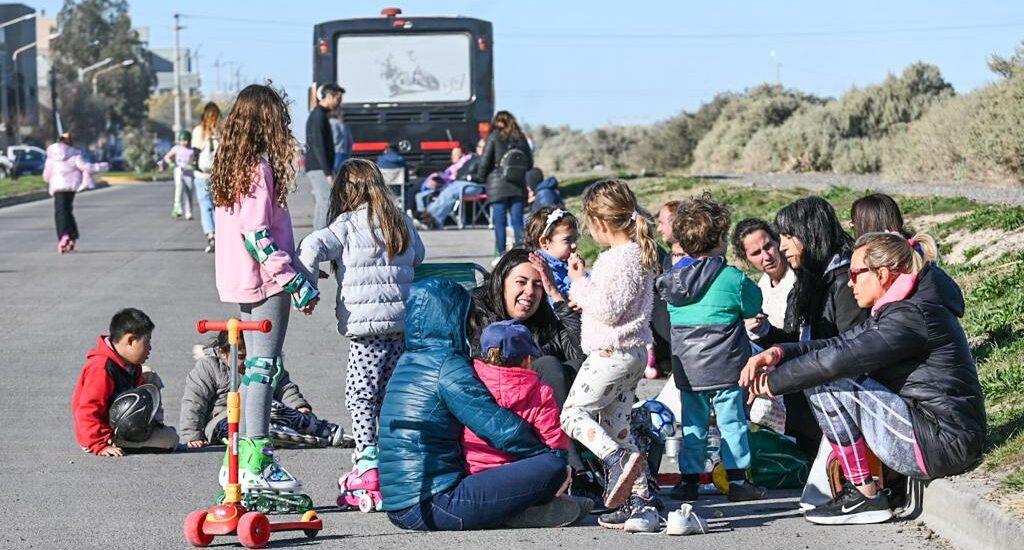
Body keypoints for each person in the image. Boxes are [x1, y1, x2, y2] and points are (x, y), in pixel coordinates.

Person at [741, 232, 986, 525]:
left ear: (882, 274)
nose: (849, 282)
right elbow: (838, 345)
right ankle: (864, 491)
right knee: (823, 369)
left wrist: (772, 383)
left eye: (856, 273)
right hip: (939, 436)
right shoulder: (902, 308)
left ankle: (866, 495)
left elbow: (838, 360)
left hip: (944, 443)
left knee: (825, 378)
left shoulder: (911, 316)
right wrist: (779, 352)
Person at [380, 279, 584, 530]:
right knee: (552, 465)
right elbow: (496, 425)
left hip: (400, 505)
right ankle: (516, 513)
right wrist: (544, 455)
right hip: (434, 502)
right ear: (453, 318)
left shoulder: (408, 362)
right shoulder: (447, 366)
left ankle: (513, 509)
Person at [209, 83, 320, 501]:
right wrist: (294, 282)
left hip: (244, 280)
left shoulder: (230, 166)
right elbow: (259, 237)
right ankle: (257, 460)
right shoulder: (257, 167)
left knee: (257, 365)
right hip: (267, 282)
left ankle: (237, 460)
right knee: (264, 367)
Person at [296, 158, 424, 509]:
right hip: (401, 324)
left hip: (365, 328)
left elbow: (310, 247)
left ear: (344, 193)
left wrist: (306, 286)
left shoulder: (347, 224)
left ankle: (367, 460)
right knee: (392, 392)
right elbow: (419, 256)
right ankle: (397, 457)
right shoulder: (400, 221)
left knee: (361, 394)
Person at [559, 178, 660, 532]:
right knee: (618, 428)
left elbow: (607, 309)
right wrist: (584, 282)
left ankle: (617, 460)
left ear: (600, 223)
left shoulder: (617, 259)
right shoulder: (639, 254)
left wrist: (581, 284)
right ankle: (641, 505)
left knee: (572, 416)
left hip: (609, 353)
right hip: (632, 353)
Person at [655, 193, 767, 503]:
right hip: (727, 367)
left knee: (692, 425)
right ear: (719, 238)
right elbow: (753, 304)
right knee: (733, 422)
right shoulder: (731, 277)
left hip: (688, 370)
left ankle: (688, 481)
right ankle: (738, 481)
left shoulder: (673, 281)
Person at [731, 217, 821, 461]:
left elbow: (795, 337)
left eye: (769, 246)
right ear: (747, 259)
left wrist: (764, 332)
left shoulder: (798, 279)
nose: (766, 256)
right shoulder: (761, 286)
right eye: (756, 253)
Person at [179, 331, 346, 449]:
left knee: (273, 407)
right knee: (235, 424)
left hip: (261, 411)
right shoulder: (209, 367)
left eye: (250, 356)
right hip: (224, 420)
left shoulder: (262, 365)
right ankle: (277, 433)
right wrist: (192, 436)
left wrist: (299, 406)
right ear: (223, 353)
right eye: (241, 357)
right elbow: (194, 402)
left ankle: (315, 427)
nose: (246, 362)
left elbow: (284, 387)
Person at [463, 320, 570, 475]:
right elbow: (555, 442)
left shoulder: (469, 384)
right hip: (521, 477)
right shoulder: (539, 394)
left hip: (473, 476)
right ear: (527, 359)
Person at [71, 308, 178, 456]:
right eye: (147, 342)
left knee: (149, 375)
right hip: (103, 436)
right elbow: (87, 409)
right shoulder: (101, 367)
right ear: (131, 340)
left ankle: (152, 429)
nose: (150, 348)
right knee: (170, 439)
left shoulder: (131, 364)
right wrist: (99, 444)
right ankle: (129, 439)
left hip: (123, 424)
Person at [775, 197, 867, 341]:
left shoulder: (847, 282)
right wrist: (764, 331)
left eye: (788, 236)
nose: (781, 247)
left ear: (812, 234)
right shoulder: (804, 282)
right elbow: (794, 343)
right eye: (780, 238)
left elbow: (850, 349)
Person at [476, 111, 533, 262]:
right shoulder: (520, 138)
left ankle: (501, 255)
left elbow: (485, 161)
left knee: (499, 222)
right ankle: (523, 254)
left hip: (497, 184)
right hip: (518, 184)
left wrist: (481, 178)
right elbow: (530, 163)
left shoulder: (494, 136)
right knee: (517, 221)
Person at [43, 131, 110, 254]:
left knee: (60, 212)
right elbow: (88, 167)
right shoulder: (75, 155)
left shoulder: (51, 158)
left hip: (58, 186)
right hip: (71, 186)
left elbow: (46, 175)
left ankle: (64, 236)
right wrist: (103, 166)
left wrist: (50, 180)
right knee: (67, 210)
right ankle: (71, 236)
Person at [416, 139, 485, 230]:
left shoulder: (485, 160)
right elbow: (460, 172)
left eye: (482, 147)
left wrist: (468, 177)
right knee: (446, 192)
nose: (480, 149)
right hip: (460, 183)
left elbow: (482, 177)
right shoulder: (471, 159)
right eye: (478, 146)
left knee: (450, 192)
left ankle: (428, 217)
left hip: (474, 185)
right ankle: (432, 219)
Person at [306, 82, 344, 231]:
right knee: (325, 201)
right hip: (318, 167)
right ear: (329, 96)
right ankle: (319, 237)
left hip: (319, 167)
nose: (339, 103)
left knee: (325, 201)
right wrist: (328, 173)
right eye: (338, 99)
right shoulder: (318, 116)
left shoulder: (320, 115)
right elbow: (318, 146)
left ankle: (320, 235)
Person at [523, 206, 580, 305]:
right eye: (567, 240)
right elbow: (560, 303)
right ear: (545, 242)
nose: (574, 245)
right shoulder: (544, 271)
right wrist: (577, 279)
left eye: (575, 239)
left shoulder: (566, 263)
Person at [192, 102, 221, 253]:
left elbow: (195, 154)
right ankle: (222, 235)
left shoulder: (198, 131)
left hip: (201, 174)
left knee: (206, 206)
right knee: (219, 206)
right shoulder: (220, 131)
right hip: (217, 175)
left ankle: (211, 235)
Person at [414, 144, 472, 213]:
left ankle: (424, 216)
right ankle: (420, 215)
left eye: (455, 154)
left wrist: (439, 179)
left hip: (445, 188)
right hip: (442, 186)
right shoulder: (454, 166)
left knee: (418, 194)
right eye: (452, 154)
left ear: (461, 155)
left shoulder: (461, 167)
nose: (452, 157)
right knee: (417, 192)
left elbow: (452, 179)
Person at [162, 130, 197, 220]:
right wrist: (171, 163)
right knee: (178, 189)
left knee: (189, 192)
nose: (184, 142)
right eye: (182, 140)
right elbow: (167, 157)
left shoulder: (191, 150)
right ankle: (177, 208)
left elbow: (194, 160)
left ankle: (188, 212)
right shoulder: (176, 148)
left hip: (188, 172)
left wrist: (192, 164)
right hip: (178, 170)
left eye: (186, 140)